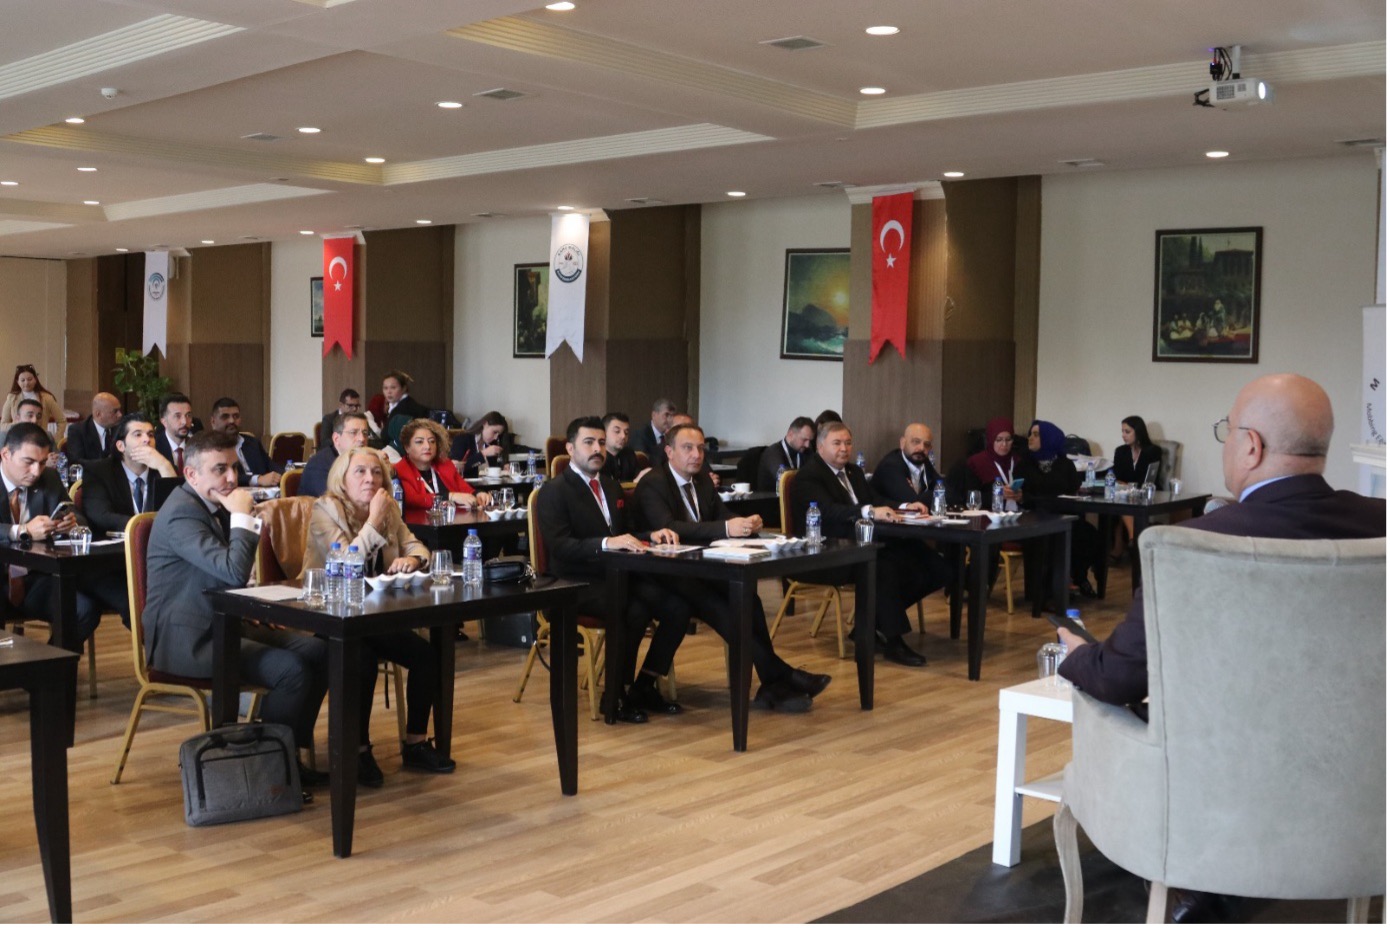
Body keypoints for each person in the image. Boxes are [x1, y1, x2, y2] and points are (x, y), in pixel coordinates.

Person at [1059, 378, 1384, 923]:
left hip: (1215, 797)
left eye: (1227, 431)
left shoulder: (1193, 544)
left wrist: (1074, 654)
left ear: (1251, 445)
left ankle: (1200, 887)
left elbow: (1117, 679)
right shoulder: (1380, 524)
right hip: (1359, 787)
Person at [143, 429, 330, 790]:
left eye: (233, 468)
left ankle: (287, 752)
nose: (231, 478)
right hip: (186, 639)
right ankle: (268, 769)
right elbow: (231, 571)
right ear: (191, 474)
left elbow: (223, 576)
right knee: (291, 671)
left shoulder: (210, 503)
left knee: (320, 651)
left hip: (223, 620)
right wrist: (243, 517)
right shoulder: (181, 514)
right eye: (219, 470)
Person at [636, 422, 831, 711]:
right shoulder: (654, 482)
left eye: (700, 448)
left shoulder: (701, 481)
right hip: (660, 573)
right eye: (688, 448)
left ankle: (773, 684)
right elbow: (669, 526)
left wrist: (744, 523)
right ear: (669, 452)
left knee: (747, 598)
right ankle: (780, 675)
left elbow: (721, 513)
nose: (696, 455)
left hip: (700, 568)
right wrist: (728, 527)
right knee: (719, 606)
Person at [303, 448, 455, 785]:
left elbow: (417, 546)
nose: (370, 479)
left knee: (426, 655)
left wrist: (412, 560)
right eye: (360, 472)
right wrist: (373, 521)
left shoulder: (388, 508)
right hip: (328, 614)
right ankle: (357, 750)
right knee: (363, 659)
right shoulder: (325, 509)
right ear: (342, 479)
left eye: (376, 473)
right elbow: (346, 561)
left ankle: (416, 744)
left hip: (373, 615)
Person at [534, 416, 696, 723]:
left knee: (678, 607)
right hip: (571, 582)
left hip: (616, 576)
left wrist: (652, 535)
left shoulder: (610, 485)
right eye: (588, 443)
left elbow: (628, 531)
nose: (597, 449)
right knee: (631, 608)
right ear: (570, 448)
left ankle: (644, 684)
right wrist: (607, 543)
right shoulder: (554, 491)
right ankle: (615, 695)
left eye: (600, 443)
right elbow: (560, 547)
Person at [789, 420, 950, 667]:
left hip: (864, 543)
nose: (844, 449)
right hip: (827, 552)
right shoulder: (809, 476)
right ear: (820, 447)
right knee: (883, 566)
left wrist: (905, 506)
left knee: (932, 564)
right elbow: (829, 511)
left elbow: (876, 499)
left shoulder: (853, 472)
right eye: (837, 443)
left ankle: (869, 624)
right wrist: (869, 511)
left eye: (848, 443)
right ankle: (894, 641)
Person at [0, 422, 129, 640]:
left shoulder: (49, 478)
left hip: (38, 576)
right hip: (3, 577)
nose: (36, 471)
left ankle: (52, 662)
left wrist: (70, 523)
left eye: (42, 463)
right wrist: (23, 530)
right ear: (5, 454)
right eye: (28, 462)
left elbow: (75, 513)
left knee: (84, 610)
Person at [1017, 419, 1100, 599]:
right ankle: (1048, 591)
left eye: (1036, 435)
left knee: (1089, 535)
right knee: (1051, 537)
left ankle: (1078, 577)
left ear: (1049, 438)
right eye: (1030, 434)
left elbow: (1073, 488)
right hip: (1036, 518)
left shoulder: (1065, 464)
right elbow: (1024, 496)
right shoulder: (1024, 464)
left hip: (1064, 515)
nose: (1030, 438)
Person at [78, 413, 178, 536]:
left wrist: (164, 466)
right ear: (121, 446)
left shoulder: (164, 469)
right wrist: (142, 527)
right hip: (116, 545)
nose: (147, 440)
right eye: (138, 435)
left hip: (160, 543)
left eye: (151, 435)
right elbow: (101, 516)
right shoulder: (98, 471)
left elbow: (178, 512)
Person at [394, 418, 489, 519]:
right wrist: (450, 497)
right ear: (407, 447)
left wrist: (478, 494)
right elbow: (413, 500)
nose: (428, 446)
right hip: (418, 524)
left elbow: (464, 488)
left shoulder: (445, 464)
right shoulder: (399, 470)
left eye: (432, 441)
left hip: (452, 522)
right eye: (419, 442)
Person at [1108, 415, 1164, 560]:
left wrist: (1131, 485)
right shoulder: (1120, 451)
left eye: (1127, 432)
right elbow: (1117, 476)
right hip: (1126, 493)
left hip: (1147, 492)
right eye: (1122, 431)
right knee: (1120, 502)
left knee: (1123, 504)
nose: (1123, 435)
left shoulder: (1153, 451)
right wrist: (1126, 486)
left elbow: (1150, 477)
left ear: (1138, 432)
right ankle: (1133, 540)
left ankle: (1125, 544)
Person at [209, 397, 281, 488]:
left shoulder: (252, 442)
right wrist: (257, 479)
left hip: (263, 493)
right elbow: (221, 477)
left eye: (236, 416)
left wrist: (283, 475)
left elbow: (271, 465)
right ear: (213, 421)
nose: (232, 421)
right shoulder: (209, 448)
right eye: (225, 417)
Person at [298, 412, 370, 498]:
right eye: (353, 432)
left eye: (365, 433)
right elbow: (335, 501)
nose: (362, 439)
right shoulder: (319, 465)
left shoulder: (366, 461)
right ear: (336, 439)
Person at [870, 423, 943, 506]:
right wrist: (938, 494)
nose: (922, 448)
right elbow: (913, 502)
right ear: (903, 443)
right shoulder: (890, 466)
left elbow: (945, 489)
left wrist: (940, 493)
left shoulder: (923, 461)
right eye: (916, 442)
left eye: (926, 444)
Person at [961, 417, 1024, 510]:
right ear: (990, 440)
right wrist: (998, 495)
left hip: (1018, 515)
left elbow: (1032, 494)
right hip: (988, 515)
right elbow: (969, 497)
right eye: (999, 440)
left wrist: (1021, 497)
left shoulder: (1019, 461)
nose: (1004, 444)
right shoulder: (976, 463)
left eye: (1008, 439)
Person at [756, 416, 815, 492]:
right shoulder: (772, 453)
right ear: (791, 434)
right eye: (804, 440)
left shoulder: (806, 451)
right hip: (773, 498)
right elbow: (784, 477)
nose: (807, 445)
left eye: (810, 441)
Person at [0, 364, 64, 431]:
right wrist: (17, 424)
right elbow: (2, 425)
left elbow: (61, 421)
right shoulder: (12, 398)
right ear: (17, 382)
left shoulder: (47, 398)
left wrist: (57, 437)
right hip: (18, 436)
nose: (26, 383)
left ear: (35, 379)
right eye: (23, 380)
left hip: (40, 436)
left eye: (29, 379)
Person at [449, 410, 509, 478]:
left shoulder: (493, 445)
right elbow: (456, 467)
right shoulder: (462, 439)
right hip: (467, 483)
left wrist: (504, 466)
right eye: (494, 432)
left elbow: (493, 470)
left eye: (499, 435)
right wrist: (483, 454)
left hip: (487, 483)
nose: (496, 437)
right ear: (485, 424)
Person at [65, 392, 123, 462]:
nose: (120, 415)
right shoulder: (78, 431)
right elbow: (77, 462)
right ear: (98, 414)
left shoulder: (121, 428)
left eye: (119, 410)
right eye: (115, 411)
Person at [154, 392, 196, 473]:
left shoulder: (197, 446)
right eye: (177, 416)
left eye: (188, 415)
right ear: (164, 421)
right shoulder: (155, 447)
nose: (184, 422)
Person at [13, 399, 61, 469]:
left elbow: (58, 460)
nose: (35, 420)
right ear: (17, 419)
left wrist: (56, 460)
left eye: (39, 417)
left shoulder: (47, 436)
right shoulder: (4, 437)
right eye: (30, 416)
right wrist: (43, 464)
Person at [599, 412, 640, 482]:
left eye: (626, 432)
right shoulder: (597, 457)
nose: (623, 436)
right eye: (617, 431)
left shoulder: (629, 454)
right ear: (603, 433)